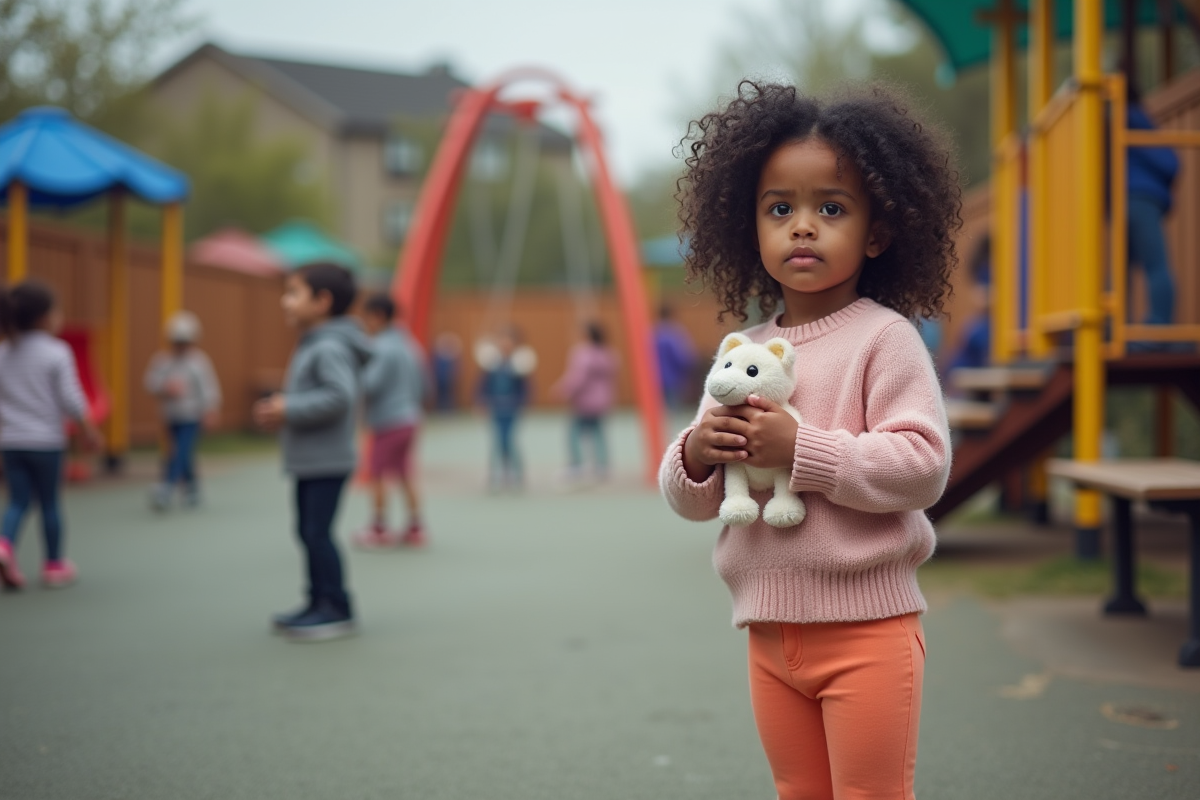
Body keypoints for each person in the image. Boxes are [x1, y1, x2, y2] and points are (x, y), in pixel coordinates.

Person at [661, 81, 957, 799]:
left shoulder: (884, 340)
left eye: (831, 207)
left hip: (869, 631)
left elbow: (922, 468)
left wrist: (802, 449)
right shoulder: (743, 351)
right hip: (767, 633)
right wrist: (699, 453)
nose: (802, 226)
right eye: (780, 208)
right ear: (749, 228)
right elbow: (693, 500)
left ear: (877, 232)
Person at [253, 263, 372, 642]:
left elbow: (340, 396)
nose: (285, 302)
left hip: (327, 460)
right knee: (306, 531)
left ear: (322, 302)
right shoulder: (314, 342)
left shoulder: (329, 346)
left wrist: (289, 407)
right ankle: (316, 600)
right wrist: (287, 411)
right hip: (311, 460)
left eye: (293, 293)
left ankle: (336, 607)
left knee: (317, 532)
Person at [0, 280, 102, 590]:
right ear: (45, 317)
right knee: (49, 503)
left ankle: (4, 546)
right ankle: (54, 564)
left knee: (17, 500)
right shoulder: (56, 352)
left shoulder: (3, 352)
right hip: (45, 443)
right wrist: (88, 430)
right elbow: (71, 398)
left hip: (10, 442)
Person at [353, 293, 427, 549]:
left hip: (388, 421)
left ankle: (378, 527)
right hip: (411, 419)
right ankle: (416, 527)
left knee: (377, 475)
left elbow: (370, 385)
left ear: (378, 316)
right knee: (406, 473)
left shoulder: (381, 347)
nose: (365, 324)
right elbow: (423, 385)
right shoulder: (410, 344)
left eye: (366, 318)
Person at [144, 311, 222, 510]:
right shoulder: (163, 360)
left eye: (184, 341)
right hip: (171, 415)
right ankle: (193, 487)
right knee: (181, 453)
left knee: (180, 451)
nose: (180, 346)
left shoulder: (198, 362)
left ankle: (166, 487)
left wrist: (210, 410)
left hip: (191, 416)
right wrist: (165, 387)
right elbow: (150, 382)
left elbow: (209, 388)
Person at [1126, 94, 1180, 336]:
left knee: (1126, 268)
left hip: (1132, 199)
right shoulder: (1134, 118)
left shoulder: (1125, 120)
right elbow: (1169, 163)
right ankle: (1157, 328)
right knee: (1155, 264)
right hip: (1139, 199)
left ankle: (1152, 328)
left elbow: (1169, 162)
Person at [553, 320, 618, 484]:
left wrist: (563, 390)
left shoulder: (583, 353)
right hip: (602, 400)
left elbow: (577, 378)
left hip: (584, 401)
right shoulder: (608, 353)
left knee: (574, 433)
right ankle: (602, 465)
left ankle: (577, 465)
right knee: (598, 433)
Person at [476, 327, 535, 491]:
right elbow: (482, 384)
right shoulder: (492, 365)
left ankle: (516, 473)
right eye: (502, 340)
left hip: (512, 408)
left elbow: (526, 388)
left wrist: (524, 403)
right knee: (497, 441)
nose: (505, 344)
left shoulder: (519, 365)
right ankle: (495, 473)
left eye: (508, 341)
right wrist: (481, 401)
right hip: (496, 407)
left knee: (509, 440)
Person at [653, 303, 697, 411]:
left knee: (660, 409)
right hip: (673, 377)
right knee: (673, 408)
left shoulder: (653, 331)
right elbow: (682, 356)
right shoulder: (674, 332)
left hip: (655, 376)